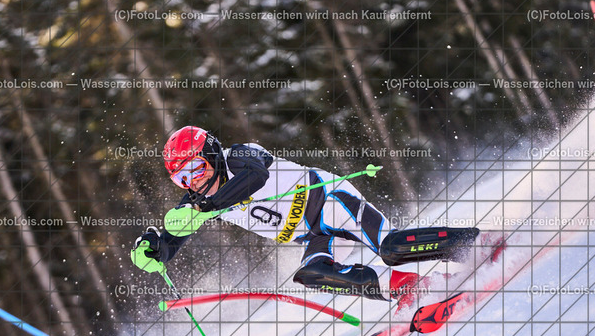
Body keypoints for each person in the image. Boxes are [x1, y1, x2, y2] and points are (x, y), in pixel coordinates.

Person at [134, 126, 479, 306]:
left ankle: (473, 243)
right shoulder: (199, 201)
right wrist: (154, 248)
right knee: (312, 274)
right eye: (181, 179)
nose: (192, 182)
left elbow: (256, 176)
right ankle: (410, 288)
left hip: (329, 201)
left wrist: (206, 208)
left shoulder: (239, 155)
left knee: (391, 248)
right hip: (313, 235)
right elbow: (171, 238)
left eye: (195, 168)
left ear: (211, 154)